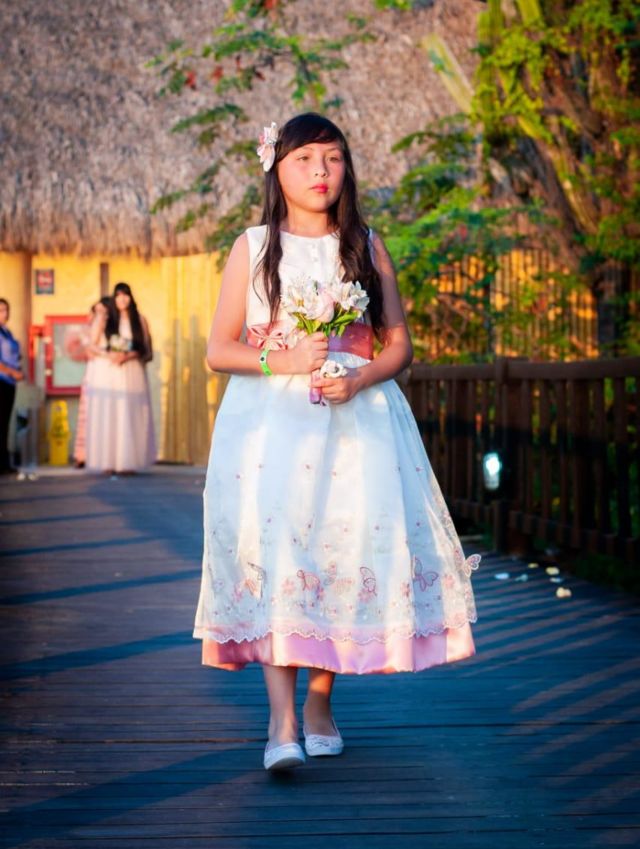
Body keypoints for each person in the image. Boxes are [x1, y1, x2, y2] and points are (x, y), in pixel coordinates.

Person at [193, 113, 480, 772]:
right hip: (270, 423)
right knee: (278, 552)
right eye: (304, 159)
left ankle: (320, 702)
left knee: (336, 550)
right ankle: (282, 720)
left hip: (355, 421)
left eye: (332, 158)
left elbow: (398, 344)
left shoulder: (366, 245)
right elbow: (219, 348)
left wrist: (362, 376)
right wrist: (282, 361)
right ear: (277, 170)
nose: (320, 172)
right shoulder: (253, 247)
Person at [85, 283, 155, 474]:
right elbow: (91, 345)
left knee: (130, 413)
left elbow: (146, 349)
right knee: (112, 413)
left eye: (125, 295)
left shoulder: (139, 319)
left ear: (131, 297)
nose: (122, 299)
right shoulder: (107, 319)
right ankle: (108, 461)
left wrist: (129, 355)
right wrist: (110, 355)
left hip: (132, 371)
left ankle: (128, 462)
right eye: (118, 295)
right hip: (111, 372)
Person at [73, 297, 111, 468]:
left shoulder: (111, 326)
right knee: (87, 414)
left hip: (108, 372)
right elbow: (88, 349)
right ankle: (83, 454)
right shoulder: (90, 328)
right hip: (94, 372)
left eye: (103, 310)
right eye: (97, 311)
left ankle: (103, 454)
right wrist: (106, 354)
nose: (100, 314)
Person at [0, 298, 24, 474]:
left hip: (9, 383)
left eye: (6, 310)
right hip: (1, 380)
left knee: (5, 423)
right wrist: (12, 372)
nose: (4, 313)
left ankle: (4, 462)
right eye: (1, 310)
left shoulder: (7, 332)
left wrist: (19, 370)